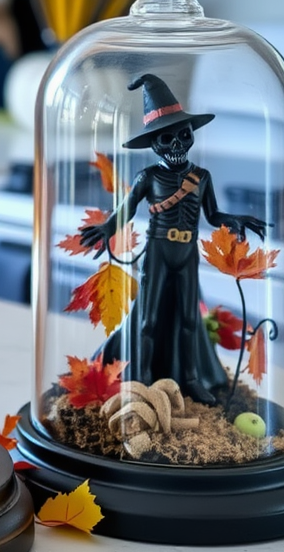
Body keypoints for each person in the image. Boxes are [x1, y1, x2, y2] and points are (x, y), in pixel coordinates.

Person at [80, 73, 267, 404]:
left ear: (191, 135)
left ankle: (190, 379)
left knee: (187, 318)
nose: (177, 144)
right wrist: (108, 229)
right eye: (167, 139)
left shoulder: (201, 177)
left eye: (183, 135)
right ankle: (143, 379)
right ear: (155, 144)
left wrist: (234, 219)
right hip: (159, 248)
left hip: (187, 251)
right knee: (149, 318)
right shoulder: (148, 176)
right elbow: (125, 209)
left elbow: (212, 216)